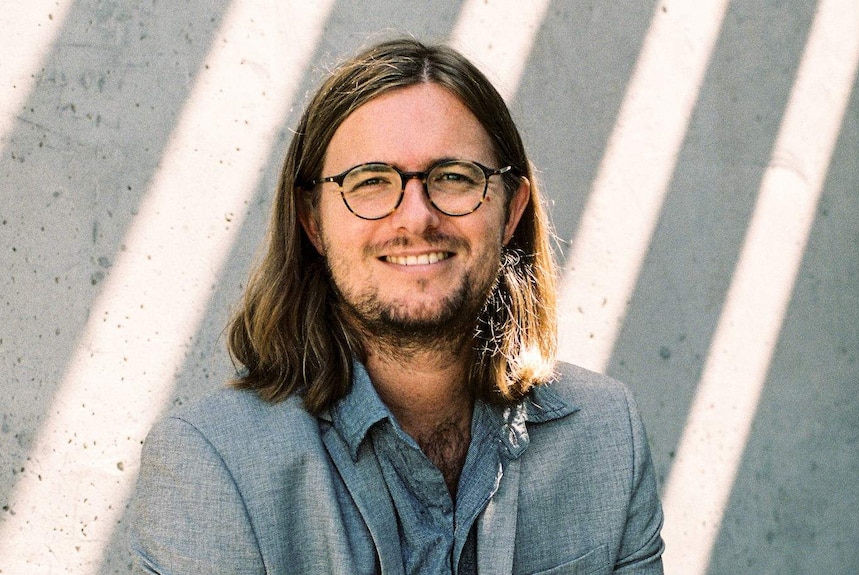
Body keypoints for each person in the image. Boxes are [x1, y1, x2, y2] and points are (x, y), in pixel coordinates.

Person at [130, 38, 664, 574]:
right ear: (313, 222)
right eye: (371, 182)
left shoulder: (607, 436)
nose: (415, 218)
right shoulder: (213, 466)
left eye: (454, 178)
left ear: (511, 210)